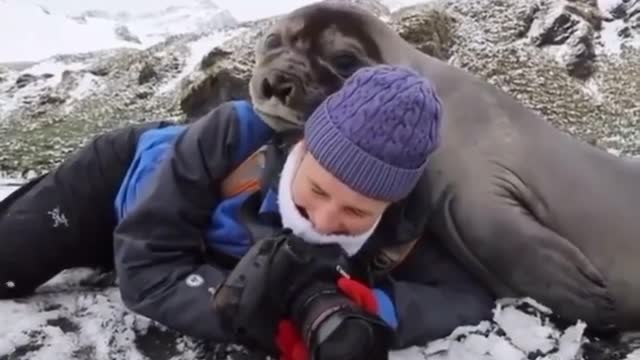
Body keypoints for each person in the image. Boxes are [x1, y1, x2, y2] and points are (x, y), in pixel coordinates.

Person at [0, 65, 494, 358]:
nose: (323, 222)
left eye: (356, 211)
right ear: (303, 144)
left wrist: (370, 309)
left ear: (389, 203)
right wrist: (259, 313)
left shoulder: (403, 224)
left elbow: (467, 298)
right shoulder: (232, 137)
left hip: (186, 243)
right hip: (115, 187)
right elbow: (148, 271)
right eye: (317, 189)